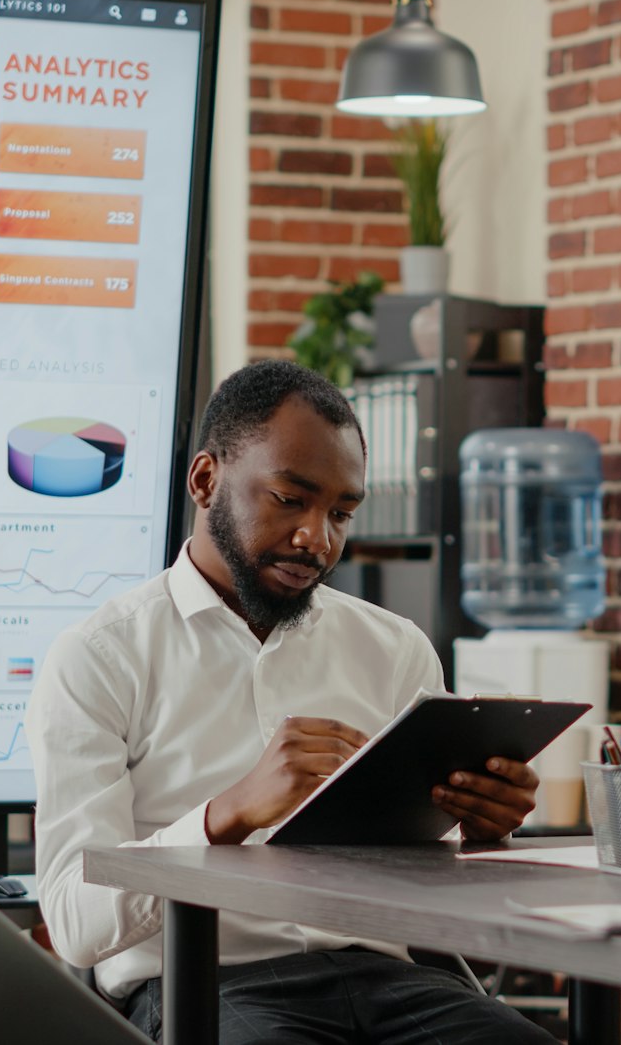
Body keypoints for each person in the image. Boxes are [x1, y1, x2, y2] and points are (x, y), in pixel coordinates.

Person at [30, 361, 553, 1045]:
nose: (318, 538)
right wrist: (226, 814)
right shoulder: (100, 656)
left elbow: (443, 907)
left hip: (389, 980)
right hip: (205, 983)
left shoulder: (394, 649)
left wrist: (485, 837)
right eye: (289, 499)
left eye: (341, 513)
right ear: (206, 480)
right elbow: (72, 922)